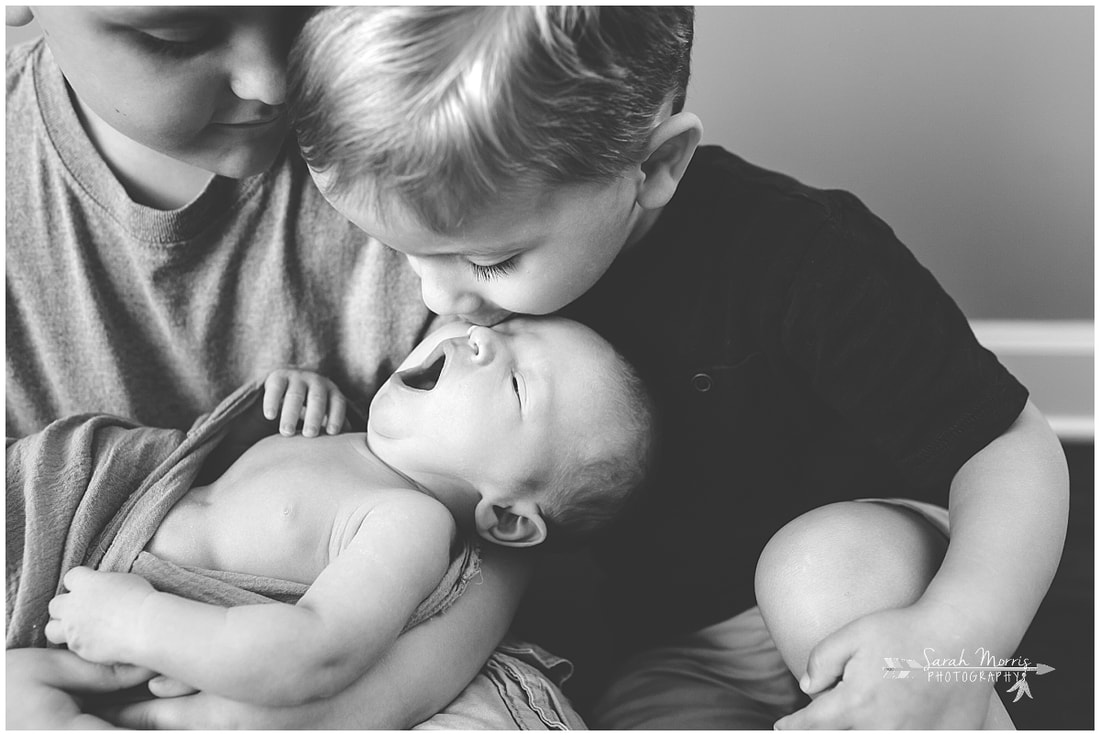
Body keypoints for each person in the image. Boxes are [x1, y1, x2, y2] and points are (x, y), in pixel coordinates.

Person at [280, 6, 1070, 730]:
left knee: (817, 573)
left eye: (491, 261)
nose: (434, 294)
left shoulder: (803, 258)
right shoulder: (470, 308)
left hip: (880, 577)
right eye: (404, 254)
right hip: (685, 646)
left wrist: (956, 637)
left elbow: (1009, 448)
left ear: (654, 168)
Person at [5, 6, 581, 729]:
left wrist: (340, 711)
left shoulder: (439, 148)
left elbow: (517, 519)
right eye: (177, 36)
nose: (273, 82)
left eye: (309, 14)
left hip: (252, 659)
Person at [39, 316, 653, 709]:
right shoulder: (348, 435)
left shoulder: (410, 522)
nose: (482, 338)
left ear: (509, 519)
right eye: (509, 329)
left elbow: (315, 652)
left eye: (519, 385)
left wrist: (141, 621)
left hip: (99, 601)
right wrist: (296, 395)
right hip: (84, 514)